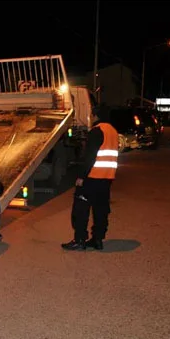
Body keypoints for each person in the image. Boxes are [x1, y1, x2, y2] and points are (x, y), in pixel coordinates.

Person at [62, 105, 119, 251]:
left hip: (92, 177)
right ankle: (97, 239)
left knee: (80, 209)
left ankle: (79, 239)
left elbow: (90, 157)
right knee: (101, 210)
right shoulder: (113, 132)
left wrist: (81, 176)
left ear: (95, 116)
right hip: (107, 178)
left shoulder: (97, 131)